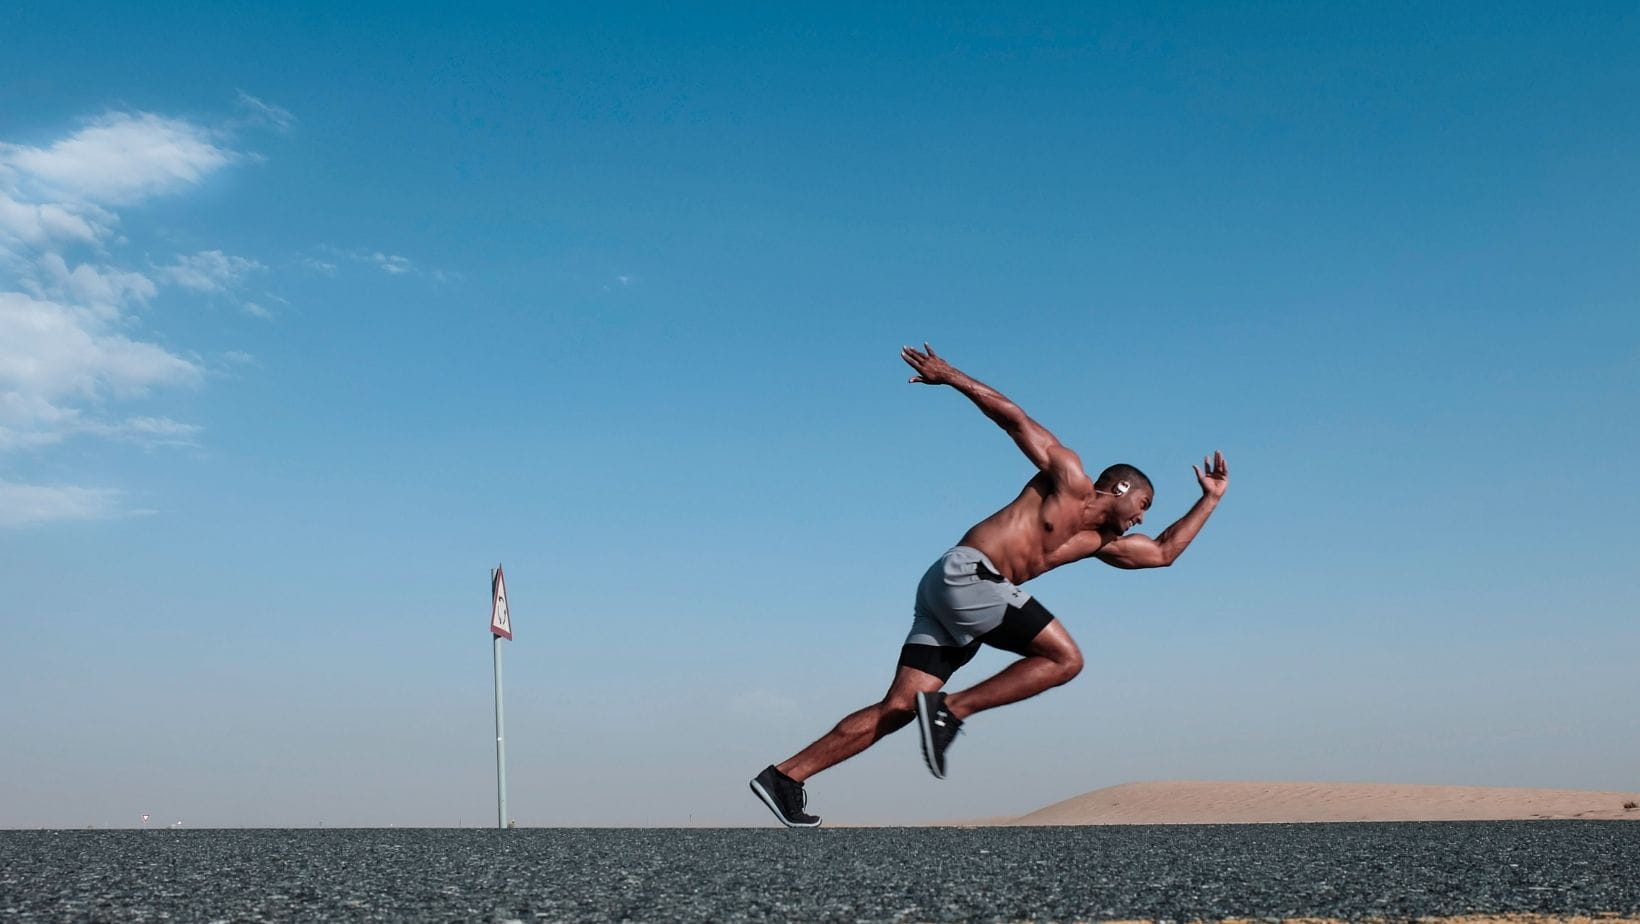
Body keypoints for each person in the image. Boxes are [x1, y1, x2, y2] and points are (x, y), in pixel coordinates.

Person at [749, 344, 1230, 827]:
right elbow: (1014, 419)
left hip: (956, 598)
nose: (1144, 517)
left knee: (898, 708)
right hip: (967, 574)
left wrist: (1209, 501)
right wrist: (950, 376)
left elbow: (1164, 552)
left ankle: (786, 777)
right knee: (1066, 659)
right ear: (1121, 490)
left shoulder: (1098, 541)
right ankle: (951, 711)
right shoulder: (1068, 477)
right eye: (1144, 504)